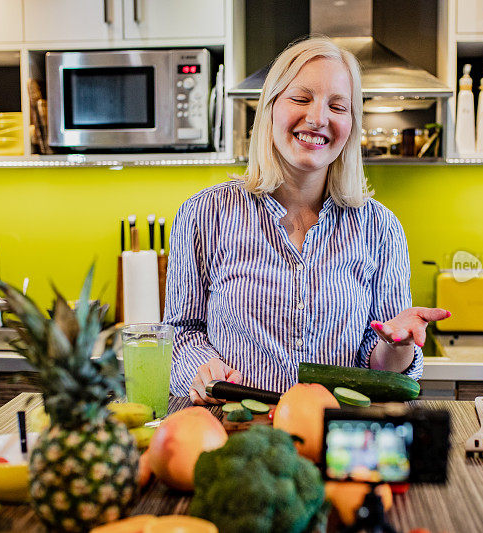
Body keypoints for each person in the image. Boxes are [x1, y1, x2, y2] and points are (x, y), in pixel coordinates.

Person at [164, 37, 450, 405]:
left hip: (340, 435)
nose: (318, 118)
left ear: (351, 124)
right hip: (238, 432)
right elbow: (182, 333)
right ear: (269, 108)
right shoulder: (204, 215)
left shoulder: (381, 228)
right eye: (300, 99)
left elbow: (382, 370)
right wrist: (200, 369)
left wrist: (396, 344)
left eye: (338, 105)